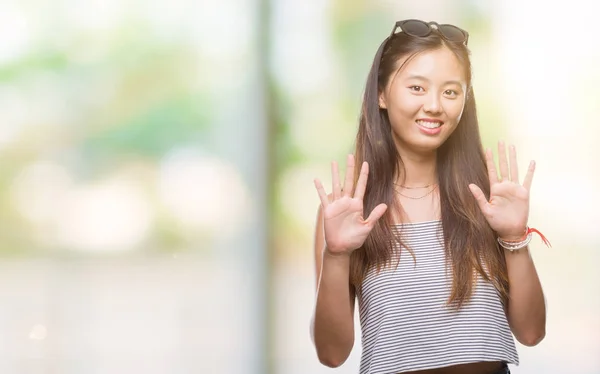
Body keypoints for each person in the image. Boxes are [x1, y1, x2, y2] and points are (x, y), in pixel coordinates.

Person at [310, 19, 549, 374]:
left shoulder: (487, 199)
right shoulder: (347, 211)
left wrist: (515, 238)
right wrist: (337, 254)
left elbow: (531, 333)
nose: (435, 106)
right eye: (417, 88)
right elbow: (332, 354)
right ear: (381, 94)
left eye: (451, 92)